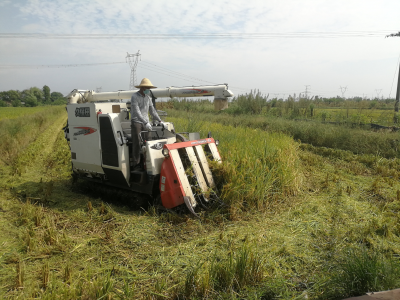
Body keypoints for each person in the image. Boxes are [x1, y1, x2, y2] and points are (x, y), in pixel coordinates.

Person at [130, 78, 163, 171]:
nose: (149, 89)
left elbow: (152, 111)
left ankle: (149, 162)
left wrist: (160, 121)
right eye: (148, 87)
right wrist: (145, 122)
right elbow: (137, 112)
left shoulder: (148, 98)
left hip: (146, 122)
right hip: (137, 121)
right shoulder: (134, 97)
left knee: (149, 141)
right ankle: (136, 165)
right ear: (143, 87)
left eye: (149, 87)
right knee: (137, 142)